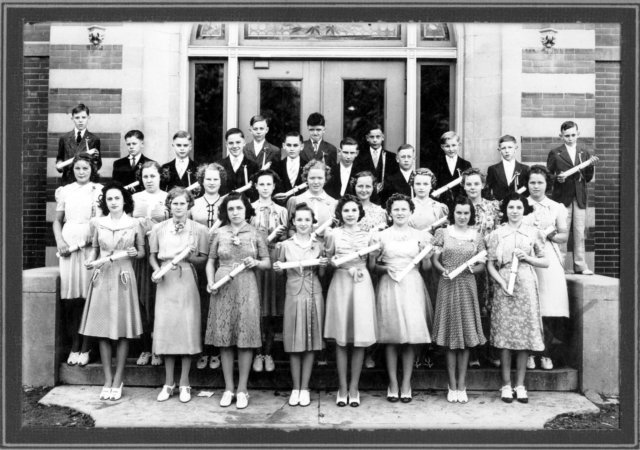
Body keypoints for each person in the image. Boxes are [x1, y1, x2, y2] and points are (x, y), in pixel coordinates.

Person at [79, 182, 145, 401]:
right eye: (109, 199)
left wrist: (136, 252)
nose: (113, 202)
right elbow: (95, 249)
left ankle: (118, 379)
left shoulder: (135, 223)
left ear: (124, 200)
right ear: (105, 202)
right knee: (102, 328)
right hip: (102, 276)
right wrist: (90, 261)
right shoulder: (98, 222)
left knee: (123, 329)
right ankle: (107, 379)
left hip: (123, 277)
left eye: (117, 198)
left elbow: (142, 252)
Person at [205, 192, 271, 409]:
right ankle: (228, 388)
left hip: (246, 285)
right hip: (222, 284)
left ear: (246, 210)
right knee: (224, 337)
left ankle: (242, 389)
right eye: (231, 209)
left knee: (244, 336)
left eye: (239, 208)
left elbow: (267, 262)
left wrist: (256, 263)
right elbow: (210, 261)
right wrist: (209, 282)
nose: (235, 212)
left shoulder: (255, 233)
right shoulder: (219, 233)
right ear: (226, 211)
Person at [370, 193, 433, 403]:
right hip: (390, 285)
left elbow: (426, 268)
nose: (399, 213)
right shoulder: (381, 236)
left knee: (410, 337)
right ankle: (393, 383)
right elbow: (373, 267)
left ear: (410, 211)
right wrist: (385, 269)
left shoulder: (421, 236)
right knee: (391, 336)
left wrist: (425, 255)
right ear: (389, 212)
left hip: (412, 285)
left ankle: (406, 382)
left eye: (404, 209)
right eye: (395, 209)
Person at [486, 192, 548, 404]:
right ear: (506, 210)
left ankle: (520, 385)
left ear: (524, 210)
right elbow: (490, 264)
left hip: (526, 284)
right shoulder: (497, 234)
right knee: (505, 336)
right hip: (504, 285)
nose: (514, 211)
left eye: (518, 208)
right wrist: (501, 283)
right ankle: (505, 384)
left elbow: (545, 261)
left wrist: (528, 257)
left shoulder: (533, 233)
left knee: (523, 336)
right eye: (511, 207)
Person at [149, 188, 209, 403]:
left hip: (186, 279)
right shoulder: (158, 228)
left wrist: (191, 258)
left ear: (189, 205)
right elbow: (152, 256)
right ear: (169, 205)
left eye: (182, 203)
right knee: (167, 330)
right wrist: (157, 270)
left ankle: (184, 382)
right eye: (174, 203)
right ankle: (168, 383)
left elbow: (204, 258)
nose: (178, 207)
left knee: (186, 329)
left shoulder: (200, 230)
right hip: (165, 281)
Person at [431, 196, 487, 403]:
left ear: (470, 215)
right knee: (450, 339)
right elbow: (434, 259)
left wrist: (476, 268)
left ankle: (462, 384)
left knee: (464, 338)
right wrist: (443, 270)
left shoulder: (477, 236)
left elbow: (482, 264)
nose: (462, 217)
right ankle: (451, 384)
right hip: (447, 284)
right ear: (452, 214)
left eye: (466, 213)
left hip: (467, 285)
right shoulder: (442, 233)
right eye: (459, 213)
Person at [273, 203, 329, 407]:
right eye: (299, 220)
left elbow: (322, 274)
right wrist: (278, 268)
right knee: (294, 342)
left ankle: (305, 387)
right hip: (293, 295)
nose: (303, 223)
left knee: (310, 341)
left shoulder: (319, 244)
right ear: (293, 222)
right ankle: (295, 388)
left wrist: (323, 265)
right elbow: (279, 274)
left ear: (312, 222)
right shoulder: (284, 245)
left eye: (307, 220)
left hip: (314, 294)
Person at [324, 195, 377, 407]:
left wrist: (366, 262)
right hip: (341, 283)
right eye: (346, 210)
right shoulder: (333, 234)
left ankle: (354, 387)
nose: (350, 214)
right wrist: (340, 265)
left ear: (359, 212)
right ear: (340, 213)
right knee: (342, 337)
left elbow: (372, 266)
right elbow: (328, 263)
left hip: (362, 283)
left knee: (359, 336)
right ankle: (342, 387)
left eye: (354, 210)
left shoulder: (369, 235)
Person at [53, 153, 103, 367]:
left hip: (89, 243)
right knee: (71, 298)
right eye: (77, 168)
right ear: (72, 170)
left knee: (88, 296)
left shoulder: (98, 190)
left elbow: (99, 219)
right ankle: (74, 343)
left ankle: (87, 345)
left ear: (92, 169)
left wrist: (94, 236)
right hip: (69, 242)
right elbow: (57, 221)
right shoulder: (65, 191)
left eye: (85, 168)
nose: (82, 172)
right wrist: (60, 242)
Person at [523, 165, 570, 370]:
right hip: (526, 256)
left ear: (547, 184)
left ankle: (545, 353)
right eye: (532, 182)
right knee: (528, 306)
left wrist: (546, 231)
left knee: (549, 307)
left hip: (548, 259)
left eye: (540, 182)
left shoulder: (556, 207)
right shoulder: (520, 204)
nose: (535, 186)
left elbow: (563, 236)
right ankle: (529, 353)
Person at [461, 167, 502, 368]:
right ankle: (473, 353)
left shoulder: (493, 207)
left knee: (490, 307)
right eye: (468, 184)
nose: (472, 187)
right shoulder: (460, 206)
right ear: (463, 186)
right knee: (471, 306)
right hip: (468, 264)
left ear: (483, 185)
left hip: (489, 264)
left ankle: (491, 351)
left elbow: (498, 233)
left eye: (476, 183)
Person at [408, 168, 449, 368]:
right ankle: (416, 350)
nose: (421, 187)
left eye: (425, 183)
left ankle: (431, 349)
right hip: (412, 257)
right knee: (415, 303)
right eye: (418, 183)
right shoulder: (406, 205)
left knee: (432, 300)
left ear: (431, 185)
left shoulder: (439, 207)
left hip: (432, 258)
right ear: (412, 185)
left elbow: (441, 234)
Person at [546, 120, 598, 275]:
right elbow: (548, 177)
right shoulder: (555, 153)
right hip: (562, 198)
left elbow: (588, 178)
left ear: (578, 134)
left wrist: (590, 166)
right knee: (562, 231)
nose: (570, 138)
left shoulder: (584, 153)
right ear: (561, 136)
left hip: (579, 197)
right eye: (567, 135)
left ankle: (580, 265)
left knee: (579, 232)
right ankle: (560, 265)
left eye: (573, 135)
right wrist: (557, 179)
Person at [249, 169, 288, 373]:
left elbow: (287, 239)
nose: (265, 188)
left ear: (274, 187)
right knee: (256, 307)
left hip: (273, 261)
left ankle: (269, 352)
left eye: (269, 184)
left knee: (271, 309)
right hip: (255, 261)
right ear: (255, 186)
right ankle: (257, 353)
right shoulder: (250, 209)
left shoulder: (281, 211)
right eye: (261, 184)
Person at [189, 163, 227, 371]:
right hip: (199, 258)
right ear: (202, 181)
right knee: (202, 304)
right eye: (208, 179)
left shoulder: (228, 202)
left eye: (215, 179)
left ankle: (217, 350)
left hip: (221, 259)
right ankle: (203, 349)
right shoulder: (193, 204)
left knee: (219, 303)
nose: (212, 183)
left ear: (221, 181)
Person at [131, 161, 168, 367]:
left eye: (153, 176)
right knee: (142, 302)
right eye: (145, 176)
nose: (149, 180)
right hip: (139, 255)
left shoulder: (167, 198)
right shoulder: (135, 198)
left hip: (160, 255)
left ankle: (158, 348)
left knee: (158, 302)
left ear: (160, 176)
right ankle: (145, 347)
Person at [352, 170, 388, 370]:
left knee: (371, 309)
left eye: (368, 186)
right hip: (352, 267)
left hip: (371, 266)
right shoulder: (346, 208)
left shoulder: (380, 212)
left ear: (373, 188)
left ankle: (369, 352)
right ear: (354, 186)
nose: (364, 190)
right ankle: (353, 349)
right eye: (360, 186)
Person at [353, 123, 399, 204]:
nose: (375, 140)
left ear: (383, 138)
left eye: (378, 137)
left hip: (386, 199)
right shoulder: (360, 157)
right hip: (366, 199)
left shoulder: (391, 157)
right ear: (367, 138)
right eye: (372, 137)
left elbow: (394, 178)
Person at [56, 103, 101, 185]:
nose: (80, 120)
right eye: (77, 118)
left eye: (83, 117)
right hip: (68, 181)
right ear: (72, 118)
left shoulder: (94, 139)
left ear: (88, 118)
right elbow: (60, 158)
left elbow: (98, 164)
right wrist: (59, 165)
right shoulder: (64, 138)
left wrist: (94, 162)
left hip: (87, 181)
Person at [431, 131, 471, 209]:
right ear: (442, 147)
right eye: (447, 146)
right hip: (441, 204)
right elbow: (433, 184)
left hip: (461, 205)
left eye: (453, 145)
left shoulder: (466, 164)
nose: (451, 149)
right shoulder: (436, 164)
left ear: (459, 145)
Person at [486, 135, 531, 201]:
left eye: (510, 147)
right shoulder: (493, 169)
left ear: (515, 148)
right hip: (499, 206)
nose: (507, 151)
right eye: (503, 148)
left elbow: (527, 188)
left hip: (519, 206)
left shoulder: (525, 169)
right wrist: (494, 202)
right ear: (499, 150)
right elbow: (487, 190)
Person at [218, 128, 259, 196]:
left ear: (244, 143)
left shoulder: (253, 166)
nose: (235, 146)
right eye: (231, 143)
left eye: (238, 142)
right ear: (226, 144)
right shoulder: (219, 165)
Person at [272, 131, 309, 200]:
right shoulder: (276, 166)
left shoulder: (307, 166)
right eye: (289, 145)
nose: (292, 149)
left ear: (302, 146)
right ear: (284, 146)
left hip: (302, 206)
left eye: (295, 145)